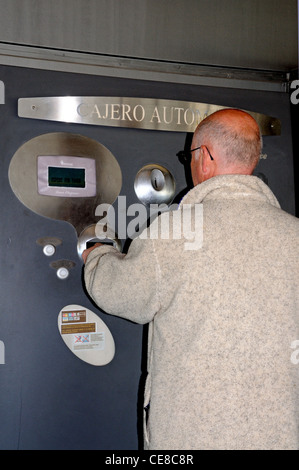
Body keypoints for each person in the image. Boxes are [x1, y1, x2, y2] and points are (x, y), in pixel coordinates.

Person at [82, 109, 299, 450]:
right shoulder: (295, 234)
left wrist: (96, 252)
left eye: (190, 156)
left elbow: (117, 292)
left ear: (206, 157)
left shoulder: (176, 231)